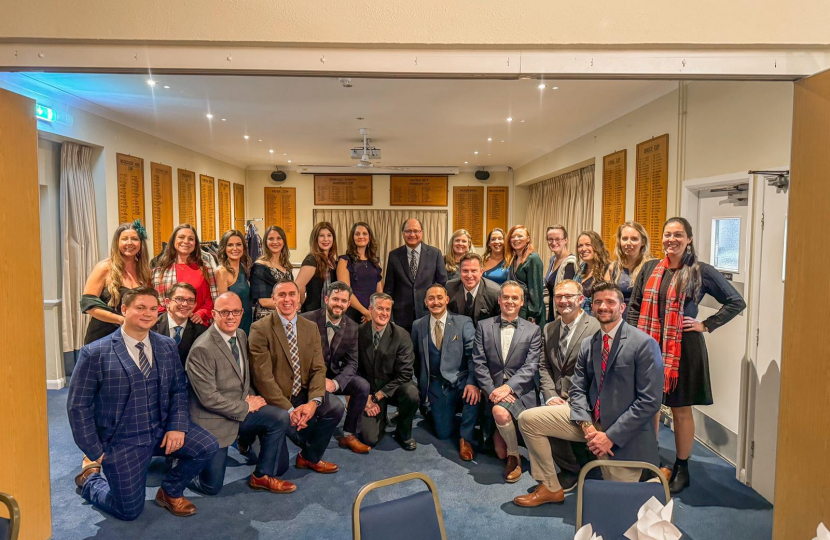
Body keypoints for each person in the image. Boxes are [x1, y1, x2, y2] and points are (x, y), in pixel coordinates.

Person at [68, 287, 218, 521]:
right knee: (127, 511)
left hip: (161, 430)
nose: (148, 314)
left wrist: (177, 426)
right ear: (124, 309)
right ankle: (90, 479)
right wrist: (95, 451)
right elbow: (78, 407)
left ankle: (170, 492)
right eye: (140, 308)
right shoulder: (95, 353)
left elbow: (179, 388)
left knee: (207, 445)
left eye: (152, 308)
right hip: (123, 440)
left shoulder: (166, 346)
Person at [513, 281, 664, 507]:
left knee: (621, 509)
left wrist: (610, 436)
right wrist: (587, 425)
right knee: (528, 419)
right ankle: (551, 487)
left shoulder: (643, 343)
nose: (603, 307)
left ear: (622, 308)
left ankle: (650, 478)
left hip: (624, 433)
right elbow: (578, 388)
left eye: (610, 302)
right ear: (591, 306)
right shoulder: (589, 344)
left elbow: (650, 401)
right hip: (591, 421)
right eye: (598, 302)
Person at [628, 216, 746, 494]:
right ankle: (649, 460)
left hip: (683, 350)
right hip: (647, 346)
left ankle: (682, 467)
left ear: (689, 239)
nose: (672, 240)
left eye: (678, 235)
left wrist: (705, 325)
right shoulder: (649, 268)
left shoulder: (701, 271)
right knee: (649, 407)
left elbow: (736, 301)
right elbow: (634, 306)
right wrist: (634, 339)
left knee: (681, 410)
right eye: (667, 234)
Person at [187, 292, 295, 495]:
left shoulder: (241, 335)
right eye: (224, 312)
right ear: (213, 314)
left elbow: (243, 377)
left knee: (279, 417)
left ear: (242, 313)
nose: (231, 317)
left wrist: (253, 398)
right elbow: (208, 398)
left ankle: (261, 475)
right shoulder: (202, 348)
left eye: (236, 312)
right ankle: (178, 460)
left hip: (239, 408)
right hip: (214, 419)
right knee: (211, 487)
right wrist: (247, 406)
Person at [249, 280, 344, 474]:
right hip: (274, 398)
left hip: (301, 391)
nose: (287, 299)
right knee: (278, 470)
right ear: (273, 299)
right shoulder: (260, 329)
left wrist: (313, 403)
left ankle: (309, 457)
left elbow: (318, 368)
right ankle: (253, 438)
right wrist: (290, 410)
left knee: (335, 406)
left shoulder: (310, 327)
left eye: (292, 294)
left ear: (299, 299)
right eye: (281, 295)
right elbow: (263, 378)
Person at [472, 281, 541, 483]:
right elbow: (479, 362)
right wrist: (492, 390)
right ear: (499, 300)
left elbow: (531, 366)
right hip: (492, 391)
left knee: (500, 412)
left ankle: (514, 457)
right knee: (497, 451)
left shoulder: (533, 330)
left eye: (515, 298)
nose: (510, 301)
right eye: (506, 297)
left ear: (521, 302)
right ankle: (511, 450)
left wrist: (508, 388)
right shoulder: (484, 326)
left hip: (521, 391)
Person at [537, 279, 601, 492]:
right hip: (556, 394)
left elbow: (597, 374)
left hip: (585, 397)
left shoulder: (596, 328)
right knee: (542, 415)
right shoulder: (549, 328)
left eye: (569, 296)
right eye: (558, 297)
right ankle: (570, 469)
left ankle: (587, 467)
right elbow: (544, 366)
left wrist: (573, 399)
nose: (563, 301)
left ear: (581, 299)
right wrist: (549, 395)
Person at [301, 281, 372, 454]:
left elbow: (352, 363)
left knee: (362, 386)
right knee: (332, 406)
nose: (338, 304)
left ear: (348, 304)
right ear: (326, 299)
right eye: (335, 299)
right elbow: (299, 357)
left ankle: (348, 434)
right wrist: (317, 381)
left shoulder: (353, 327)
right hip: (308, 376)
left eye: (343, 301)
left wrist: (335, 383)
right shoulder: (306, 319)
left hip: (333, 376)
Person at [412, 284, 479, 460]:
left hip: (461, 380)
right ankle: (439, 411)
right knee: (443, 433)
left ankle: (466, 439)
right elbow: (416, 361)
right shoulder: (418, 325)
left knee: (473, 396)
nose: (436, 302)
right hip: (436, 384)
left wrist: (472, 382)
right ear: (426, 302)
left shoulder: (463, 322)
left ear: (447, 300)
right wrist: (421, 389)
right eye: (431, 298)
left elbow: (473, 356)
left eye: (439, 297)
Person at [357, 292, 420, 450]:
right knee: (369, 439)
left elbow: (405, 374)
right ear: (370, 309)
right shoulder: (358, 332)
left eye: (387, 309)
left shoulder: (401, 335)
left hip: (393, 388)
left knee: (411, 393)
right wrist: (364, 396)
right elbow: (354, 369)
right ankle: (381, 418)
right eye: (380, 309)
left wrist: (379, 395)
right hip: (369, 391)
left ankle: (403, 433)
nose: (384, 313)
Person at [81, 221, 151, 344]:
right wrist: (121, 320)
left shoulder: (144, 271)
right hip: (103, 337)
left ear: (141, 243)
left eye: (134, 239)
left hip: (133, 338)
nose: (129, 243)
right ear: (117, 242)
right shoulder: (104, 267)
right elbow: (88, 305)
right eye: (124, 239)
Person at [383, 218, 448, 333]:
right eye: (408, 231)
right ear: (403, 234)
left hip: (429, 313)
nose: (412, 234)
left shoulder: (435, 254)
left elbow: (442, 285)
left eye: (416, 231)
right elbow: (389, 289)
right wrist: (390, 316)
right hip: (401, 316)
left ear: (421, 233)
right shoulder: (394, 255)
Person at [153, 224, 218, 324]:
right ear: (174, 241)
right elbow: (155, 300)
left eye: (191, 239)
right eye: (181, 237)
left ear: (195, 243)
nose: (186, 241)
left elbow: (211, 299)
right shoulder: (160, 270)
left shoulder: (205, 268)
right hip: (168, 326)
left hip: (197, 325)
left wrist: (201, 313)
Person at [336, 222, 383, 323]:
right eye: (357, 234)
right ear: (353, 238)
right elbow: (346, 291)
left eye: (364, 234)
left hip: (372, 314)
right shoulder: (344, 261)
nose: (361, 236)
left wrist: (374, 311)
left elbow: (379, 291)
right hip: (352, 313)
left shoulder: (375, 262)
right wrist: (365, 312)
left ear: (369, 238)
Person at [153, 282, 208, 367]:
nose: (185, 304)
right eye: (179, 299)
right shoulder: (151, 326)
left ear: (195, 305)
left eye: (190, 300)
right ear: (167, 302)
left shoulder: (201, 332)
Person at [605, 221, 654, 317]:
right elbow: (606, 297)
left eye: (634, 239)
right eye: (624, 239)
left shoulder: (652, 266)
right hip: (618, 320)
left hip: (642, 321)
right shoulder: (613, 267)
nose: (628, 243)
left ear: (643, 241)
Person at [505, 224, 546, 327]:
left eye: (520, 236)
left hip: (529, 314)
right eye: (513, 236)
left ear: (528, 239)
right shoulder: (514, 259)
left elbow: (536, 289)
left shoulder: (533, 258)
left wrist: (532, 316)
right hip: (517, 309)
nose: (516, 239)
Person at [250, 225, 294, 320]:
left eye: (279, 238)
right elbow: (264, 301)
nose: (275, 242)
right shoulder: (260, 267)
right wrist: (291, 306)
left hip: (286, 317)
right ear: (265, 242)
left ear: (284, 242)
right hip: (267, 319)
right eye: (271, 239)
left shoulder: (286, 267)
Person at [215, 229, 254, 334]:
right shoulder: (222, 271)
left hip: (247, 323)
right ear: (224, 248)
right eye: (230, 245)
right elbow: (223, 308)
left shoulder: (243, 267)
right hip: (232, 326)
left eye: (238, 244)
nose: (235, 248)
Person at [446, 252, 501, 326]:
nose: (469, 275)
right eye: (465, 271)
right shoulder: (450, 287)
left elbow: (498, 322)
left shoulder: (495, 292)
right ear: (460, 271)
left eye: (473, 271)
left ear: (481, 272)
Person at [296, 221, 337, 313]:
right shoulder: (311, 260)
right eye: (321, 236)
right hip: (313, 313)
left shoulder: (332, 261)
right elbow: (298, 287)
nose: (326, 239)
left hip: (329, 312)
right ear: (315, 239)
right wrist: (303, 303)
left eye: (329, 235)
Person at [543, 225, 578, 322]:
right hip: (550, 310)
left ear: (566, 240)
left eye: (558, 239)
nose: (554, 243)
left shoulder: (570, 263)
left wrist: (560, 316)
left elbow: (567, 294)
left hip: (562, 314)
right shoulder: (552, 260)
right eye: (550, 239)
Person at [575, 230, 610, 316]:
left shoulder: (608, 269)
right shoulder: (580, 269)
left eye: (588, 244)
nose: (583, 249)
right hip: (576, 318)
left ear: (597, 246)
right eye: (580, 246)